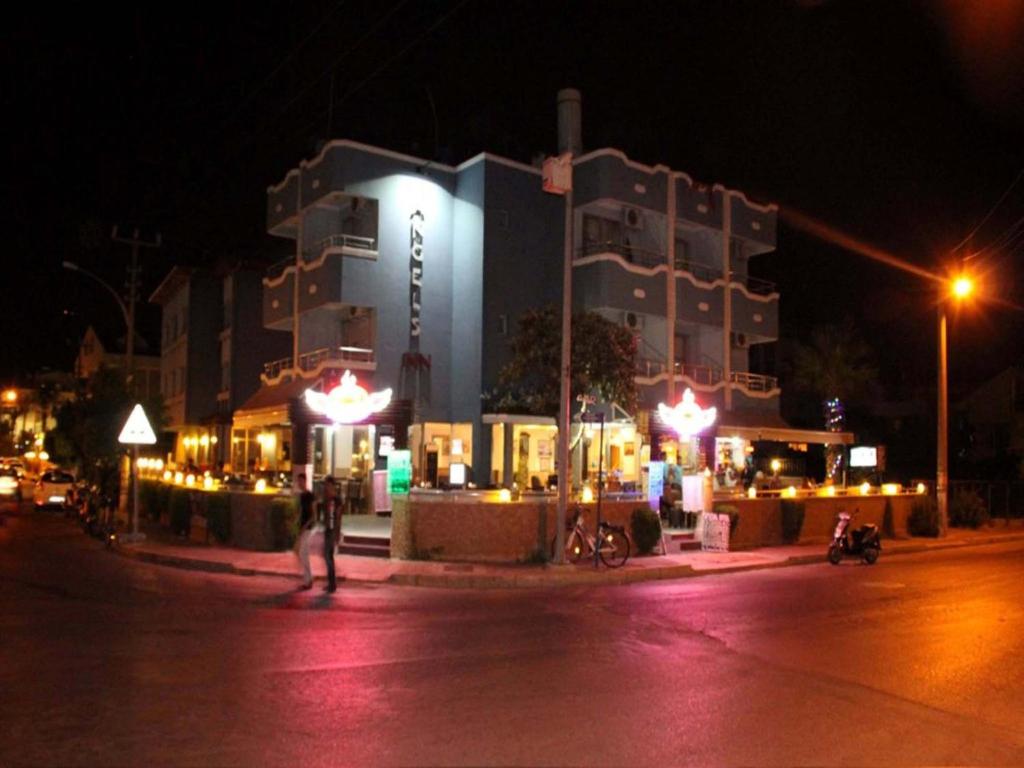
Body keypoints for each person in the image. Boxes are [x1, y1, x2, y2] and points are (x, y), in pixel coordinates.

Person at [293, 473, 316, 590]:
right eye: (298, 482)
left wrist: (305, 526)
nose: (299, 484)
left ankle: (308, 579)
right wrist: (297, 521)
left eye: (301, 481)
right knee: (303, 553)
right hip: (303, 527)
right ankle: (308, 579)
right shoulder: (302, 496)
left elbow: (313, 514)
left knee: (302, 553)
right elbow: (301, 512)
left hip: (308, 527)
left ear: (305, 481)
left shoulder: (310, 495)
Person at [321, 476, 340, 593]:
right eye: (325, 485)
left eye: (328, 485)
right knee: (328, 557)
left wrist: (336, 533)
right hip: (328, 529)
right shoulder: (327, 499)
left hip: (332, 531)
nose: (326, 487)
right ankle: (331, 583)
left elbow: (337, 517)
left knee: (328, 557)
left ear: (332, 485)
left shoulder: (336, 500)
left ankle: (332, 584)